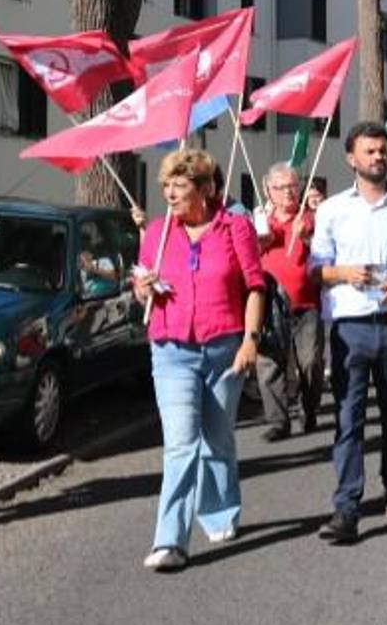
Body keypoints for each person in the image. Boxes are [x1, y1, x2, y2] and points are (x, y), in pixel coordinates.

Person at [132, 148, 266, 572]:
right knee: (181, 444)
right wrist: (144, 290)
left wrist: (250, 340)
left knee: (218, 438)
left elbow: (255, 287)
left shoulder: (235, 227)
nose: (170, 193)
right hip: (171, 349)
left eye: (180, 185)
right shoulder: (157, 232)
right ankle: (170, 540)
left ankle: (222, 510)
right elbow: (141, 289)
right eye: (166, 185)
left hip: (224, 345)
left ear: (205, 190)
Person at [307, 122, 387, 544]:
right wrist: (342, 271)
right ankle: (346, 507)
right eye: (369, 151)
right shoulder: (331, 210)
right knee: (348, 419)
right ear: (351, 159)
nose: (378, 157)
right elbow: (315, 269)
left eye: (382, 150)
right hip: (350, 326)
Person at [254, 163, 324, 441]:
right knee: (270, 364)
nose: (287, 192)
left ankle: (309, 408)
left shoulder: (313, 219)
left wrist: (308, 238)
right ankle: (278, 421)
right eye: (280, 187)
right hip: (270, 304)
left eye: (292, 186)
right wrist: (260, 243)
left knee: (311, 362)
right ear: (268, 191)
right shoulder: (260, 221)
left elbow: (330, 253)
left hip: (307, 303)